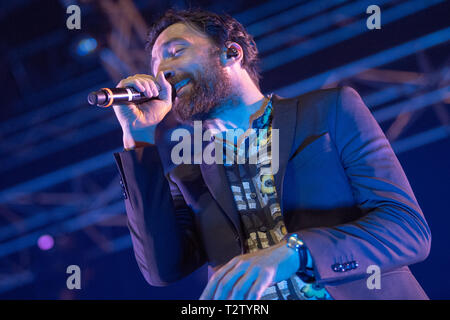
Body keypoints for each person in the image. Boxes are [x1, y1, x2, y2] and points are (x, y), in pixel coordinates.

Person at [112, 8, 431, 300]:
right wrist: (138, 139)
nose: (162, 72)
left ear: (230, 53)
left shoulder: (328, 110)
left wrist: (297, 252)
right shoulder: (188, 168)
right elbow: (162, 270)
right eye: (155, 65)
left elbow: (407, 230)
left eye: (176, 52)